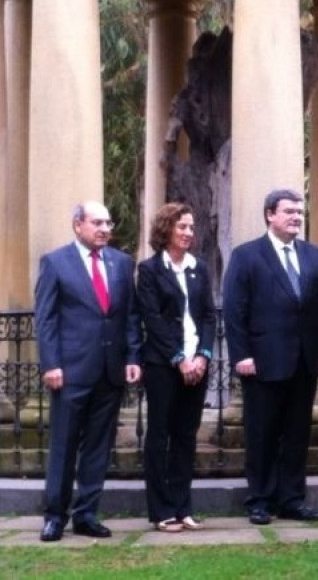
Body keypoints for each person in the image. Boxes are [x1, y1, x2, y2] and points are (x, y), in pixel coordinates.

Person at [223, 188, 318, 525]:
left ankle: (292, 499)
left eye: (299, 212)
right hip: (262, 362)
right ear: (270, 215)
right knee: (261, 433)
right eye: (289, 211)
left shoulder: (314, 255)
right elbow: (235, 310)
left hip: (304, 362)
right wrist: (241, 355)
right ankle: (259, 499)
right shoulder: (247, 255)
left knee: (297, 433)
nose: (296, 217)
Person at [35, 201, 142, 542]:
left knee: (98, 447)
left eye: (109, 223)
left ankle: (87, 514)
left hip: (110, 372)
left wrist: (132, 358)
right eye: (98, 222)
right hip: (70, 372)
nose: (106, 229)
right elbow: (47, 319)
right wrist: (51, 364)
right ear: (77, 225)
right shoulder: (55, 263)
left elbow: (129, 317)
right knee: (64, 445)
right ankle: (55, 516)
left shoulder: (122, 263)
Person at [137, 203, 217, 532]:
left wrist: (203, 356)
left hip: (196, 365)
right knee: (159, 436)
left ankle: (183, 507)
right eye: (182, 226)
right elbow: (153, 320)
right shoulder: (150, 270)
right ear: (166, 229)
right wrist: (178, 358)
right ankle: (161, 511)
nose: (188, 233)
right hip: (163, 366)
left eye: (191, 227)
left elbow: (209, 316)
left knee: (186, 436)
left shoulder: (199, 268)